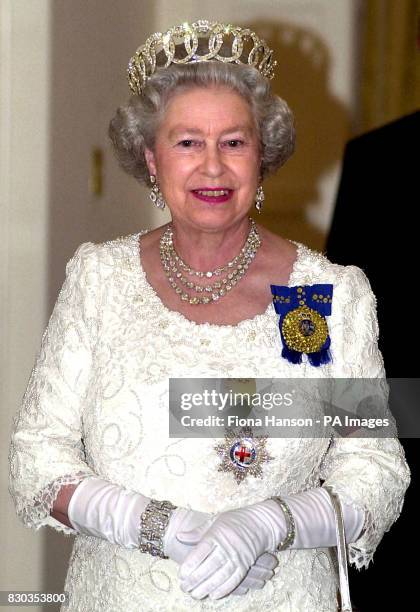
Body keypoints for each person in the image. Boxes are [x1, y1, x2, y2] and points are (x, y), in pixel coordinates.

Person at [8, 20, 410, 612]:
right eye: (188, 142)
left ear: (262, 155)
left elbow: (375, 470)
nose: (214, 167)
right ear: (151, 158)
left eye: (234, 141)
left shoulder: (322, 295)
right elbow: (37, 455)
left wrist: (270, 524)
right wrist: (157, 525)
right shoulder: (100, 280)